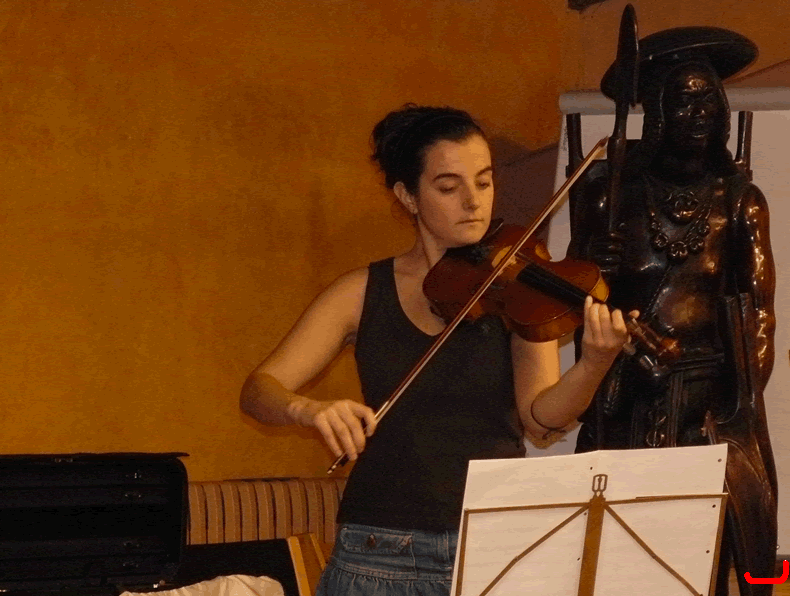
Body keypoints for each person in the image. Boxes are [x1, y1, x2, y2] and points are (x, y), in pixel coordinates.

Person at [241, 104, 633, 596]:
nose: (473, 202)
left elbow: (540, 419)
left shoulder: (517, 283)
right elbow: (259, 389)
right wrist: (306, 409)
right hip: (378, 552)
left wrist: (594, 364)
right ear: (408, 196)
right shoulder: (360, 292)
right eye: (449, 188)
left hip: (493, 545)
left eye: (484, 183)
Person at [567, 27, 777, 596]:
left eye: (708, 99)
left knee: (702, 560)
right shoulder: (610, 195)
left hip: (706, 406)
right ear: (657, 112)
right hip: (628, 393)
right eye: (682, 100)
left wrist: (738, 401)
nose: (699, 113)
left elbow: (759, 315)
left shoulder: (739, 201)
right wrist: (591, 266)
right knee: (616, 561)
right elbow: (572, 305)